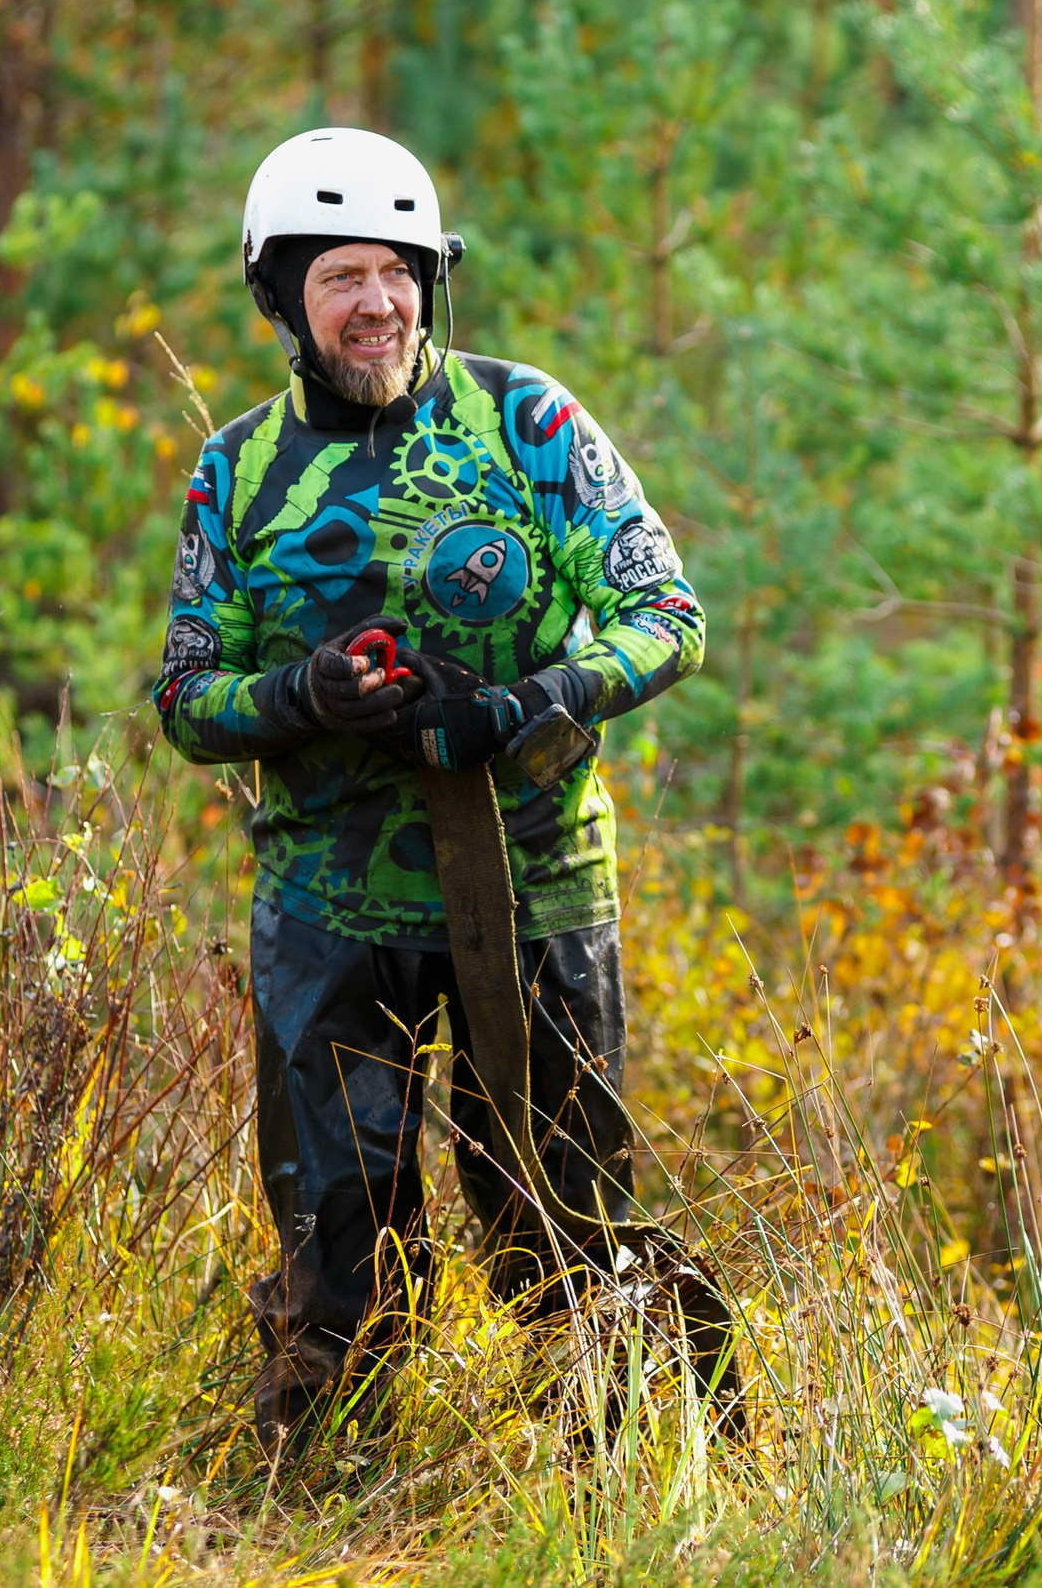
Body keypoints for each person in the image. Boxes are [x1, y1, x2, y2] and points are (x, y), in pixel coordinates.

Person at [151, 127, 709, 1441]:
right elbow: (185, 697)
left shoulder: (528, 422)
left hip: (536, 890)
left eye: (399, 271)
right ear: (283, 297)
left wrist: (542, 697)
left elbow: (665, 609)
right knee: (342, 1237)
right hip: (330, 902)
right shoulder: (235, 473)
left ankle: (616, 1477)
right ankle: (321, 1484)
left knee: (561, 1213)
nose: (378, 302)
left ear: (431, 278)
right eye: (343, 275)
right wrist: (302, 699)